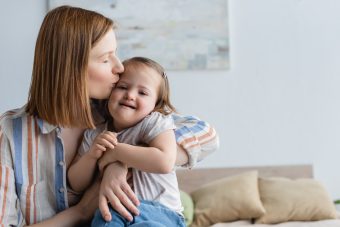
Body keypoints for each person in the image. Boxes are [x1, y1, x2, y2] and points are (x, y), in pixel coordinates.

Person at [0, 5, 218, 227]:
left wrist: (118, 159)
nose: (120, 67)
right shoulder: (9, 133)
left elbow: (207, 134)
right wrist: (81, 211)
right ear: (71, 69)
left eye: (116, 54)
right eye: (106, 59)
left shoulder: (120, 114)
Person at [68, 56, 185, 226]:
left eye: (142, 93)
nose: (130, 95)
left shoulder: (154, 123)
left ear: (155, 104)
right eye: (122, 87)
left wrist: (115, 152)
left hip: (160, 213)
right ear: (110, 93)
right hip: (111, 211)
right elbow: (76, 183)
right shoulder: (95, 134)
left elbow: (164, 162)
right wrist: (92, 156)